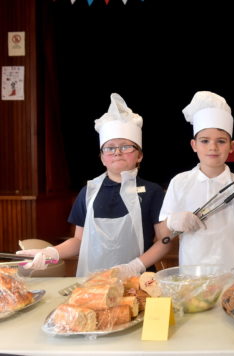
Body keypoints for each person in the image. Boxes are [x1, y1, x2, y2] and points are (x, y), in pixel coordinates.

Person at [17, 93, 171, 278]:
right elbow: (78, 240)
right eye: (110, 147)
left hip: (139, 279)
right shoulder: (89, 192)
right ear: (102, 157)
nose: (117, 153)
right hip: (92, 281)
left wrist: (135, 266)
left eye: (126, 146)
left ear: (139, 156)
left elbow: (165, 241)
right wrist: (51, 252)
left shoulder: (153, 191)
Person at [158, 91, 234, 271]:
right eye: (204, 141)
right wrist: (172, 222)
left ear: (232, 146)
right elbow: (162, 234)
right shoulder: (179, 182)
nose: (213, 147)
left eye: (221, 141)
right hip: (194, 275)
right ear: (194, 145)